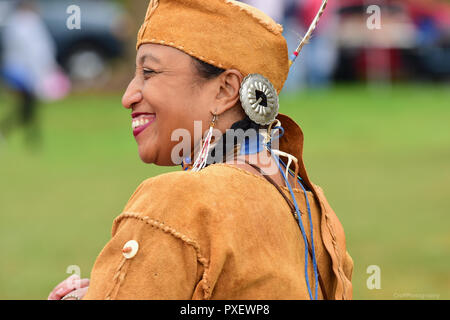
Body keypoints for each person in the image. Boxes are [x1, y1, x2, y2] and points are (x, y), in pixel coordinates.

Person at [48, 0, 353, 300]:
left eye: (149, 72)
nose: (128, 96)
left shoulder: (178, 201)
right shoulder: (312, 205)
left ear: (225, 91)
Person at [0, 0, 70, 147]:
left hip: (22, 70)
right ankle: (28, 137)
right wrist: (46, 69)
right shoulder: (27, 23)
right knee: (28, 106)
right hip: (24, 72)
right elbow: (37, 50)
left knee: (29, 107)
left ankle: (31, 138)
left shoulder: (18, 22)